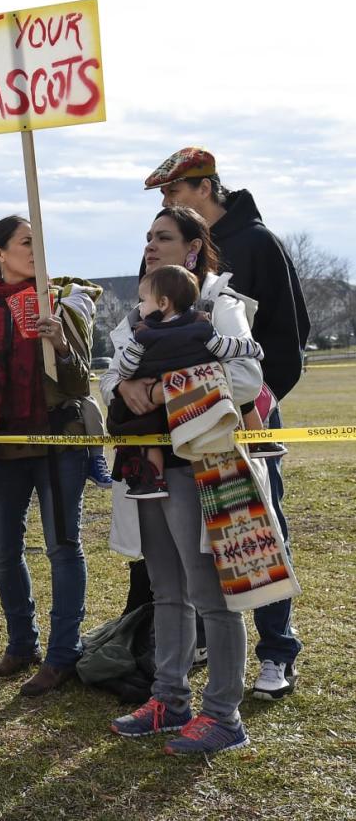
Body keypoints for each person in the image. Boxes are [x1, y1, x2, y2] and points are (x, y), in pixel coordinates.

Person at [146, 147, 307, 699]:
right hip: (184, 424)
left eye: (173, 191)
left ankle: (277, 649)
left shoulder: (258, 243)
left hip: (247, 413)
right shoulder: (170, 250)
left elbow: (287, 336)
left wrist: (254, 405)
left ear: (206, 186)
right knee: (195, 539)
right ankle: (211, 638)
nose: (167, 201)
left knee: (257, 529)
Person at [102, 205, 262, 754]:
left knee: (211, 593)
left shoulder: (220, 306)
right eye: (147, 236)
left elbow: (246, 378)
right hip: (148, 469)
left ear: (193, 248)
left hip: (201, 465)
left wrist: (167, 387)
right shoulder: (140, 315)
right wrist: (123, 390)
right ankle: (169, 700)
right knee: (167, 591)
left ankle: (224, 715)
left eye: (163, 237)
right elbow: (109, 375)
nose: (150, 244)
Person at [0, 215, 99, 697]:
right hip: (1, 448)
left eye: (39, 240)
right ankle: (21, 645)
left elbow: (81, 382)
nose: (36, 249)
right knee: (3, 553)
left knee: (63, 548)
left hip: (58, 443)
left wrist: (59, 343)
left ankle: (63, 655)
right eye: (26, 242)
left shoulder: (61, 301)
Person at [109, 264, 269, 499]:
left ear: (163, 304)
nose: (140, 307)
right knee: (244, 402)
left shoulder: (143, 335)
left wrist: (129, 375)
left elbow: (125, 368)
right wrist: (252, 348)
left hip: (159, 396)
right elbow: (225, 347)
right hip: (204, 400)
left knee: (142, 425)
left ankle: (153, 479)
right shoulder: (201, 325)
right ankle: (260, 441)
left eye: (143, 301)